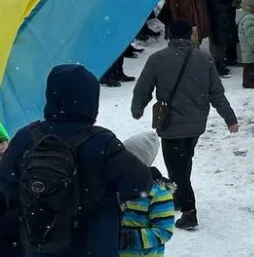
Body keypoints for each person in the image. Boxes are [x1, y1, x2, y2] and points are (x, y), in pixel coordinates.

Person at [0, 65, 151, 257]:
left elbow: (6, 183)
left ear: (50, 96)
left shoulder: (26, 137)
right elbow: (140, 184)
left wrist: (43, 196)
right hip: (94, 244)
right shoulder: (102, 142)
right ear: (91, 101)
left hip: (40, 241)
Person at [131, 21, 239, 230]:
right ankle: (180, 198)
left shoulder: (157, 59)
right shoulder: (204, 58)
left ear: (169, 35)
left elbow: (143, 89)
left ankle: (189, 211)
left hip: (171, 124)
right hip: (196, 123)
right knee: (183, 162)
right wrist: (230, 118)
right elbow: (216, 93)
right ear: (190, 35)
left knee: (177, 168)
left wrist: (138, 109)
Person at [118, 132, 176, 257]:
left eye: (126, 159)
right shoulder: (117, 186)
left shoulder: (158, 193)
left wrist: (129, 239)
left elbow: (163, 231)